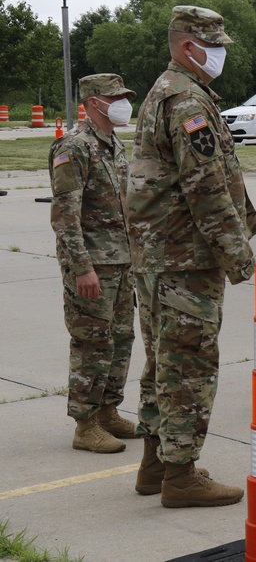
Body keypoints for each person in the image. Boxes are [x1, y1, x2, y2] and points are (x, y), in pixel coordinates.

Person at [127, 5, 256, 507]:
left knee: (164, 359)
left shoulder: (172, 92)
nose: (221, 53)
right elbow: (204, 188)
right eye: (215, 44)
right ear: (188, 46)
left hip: (161, 257)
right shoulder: (187, 102)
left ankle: (156, 464)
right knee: (188, 363)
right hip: (183, 258)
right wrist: (238, 255)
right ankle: (180, 477)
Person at [49, 74, 139, 454]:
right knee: (92, 343)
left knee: (120, 339)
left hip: (121, 261)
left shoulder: (114, 145)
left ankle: (107, 411)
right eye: (113, 96)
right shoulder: (74, 147)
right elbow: (65, 215)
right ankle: (85, 425)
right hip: (92, 265)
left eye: (123, 96)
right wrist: (81, 268)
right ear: (91, 102)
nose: (121, 102)